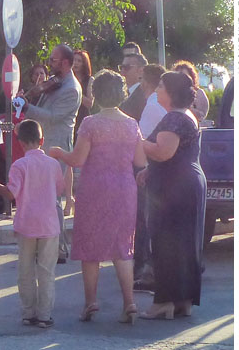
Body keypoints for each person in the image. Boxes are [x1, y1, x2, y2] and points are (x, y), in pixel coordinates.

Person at [49, 70, 146, 324]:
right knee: (123, 247)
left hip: (94, 188)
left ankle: (91, 302)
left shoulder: (91, 123)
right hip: (124, 188)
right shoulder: (131, 124)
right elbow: (140, 160)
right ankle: (130, 303)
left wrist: (59, 153)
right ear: (122, 94)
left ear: (96, 93)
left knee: (90, 246)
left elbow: (78, 160)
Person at [137, 72, 206, 320]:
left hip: (174, 189)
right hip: (187, 183)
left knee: (166, 243)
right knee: (185, 245)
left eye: (161, 86)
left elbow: (164, 152)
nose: (157, 90)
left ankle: (163, 302)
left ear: (171, 92)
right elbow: (176, 153)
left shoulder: (174, 118)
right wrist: (149, 169)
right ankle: (182, 301)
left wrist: (138, 140)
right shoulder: (185, 116)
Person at [0, 119, 64, 329]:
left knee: (26, 270)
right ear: (42, 140)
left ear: (20, 142)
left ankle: (28, 312)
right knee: (46, 271)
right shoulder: (53, 164)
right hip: (49, 225)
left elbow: (10, 193)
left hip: (26, 224)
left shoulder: (19, 165)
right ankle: (44, 315)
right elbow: (59, 190)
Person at [18, 44, 81, 264]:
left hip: (56, 145)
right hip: (47, 144)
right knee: (45, 197)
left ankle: (60, 248)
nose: (49, 63)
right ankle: (47, 245)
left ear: (65, 63)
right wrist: (30, 96)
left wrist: (27, 108)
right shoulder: (58, 82)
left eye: (53, 60)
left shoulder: (71, 88)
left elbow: (52, 117)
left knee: (52, 198)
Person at [133, 64, 167, 294]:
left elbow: (141, 140)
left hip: (151, 168)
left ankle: (150, 273)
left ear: (147, 82)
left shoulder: (151, 105)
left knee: (148, 223)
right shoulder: (160, 105)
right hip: (161, 169)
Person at [118, 53, 148, 122]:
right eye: (121, 67)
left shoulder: (145, 96)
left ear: (141, 71)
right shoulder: (121, 94)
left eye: (126, 68)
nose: (122, 71)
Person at [73, 50, 95, 139]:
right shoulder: (66, 79)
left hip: (82, 118)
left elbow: (90, 103)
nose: (76, 63)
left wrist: (76, 91)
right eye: (74, 60)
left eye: (79, 61)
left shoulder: (90, 80)